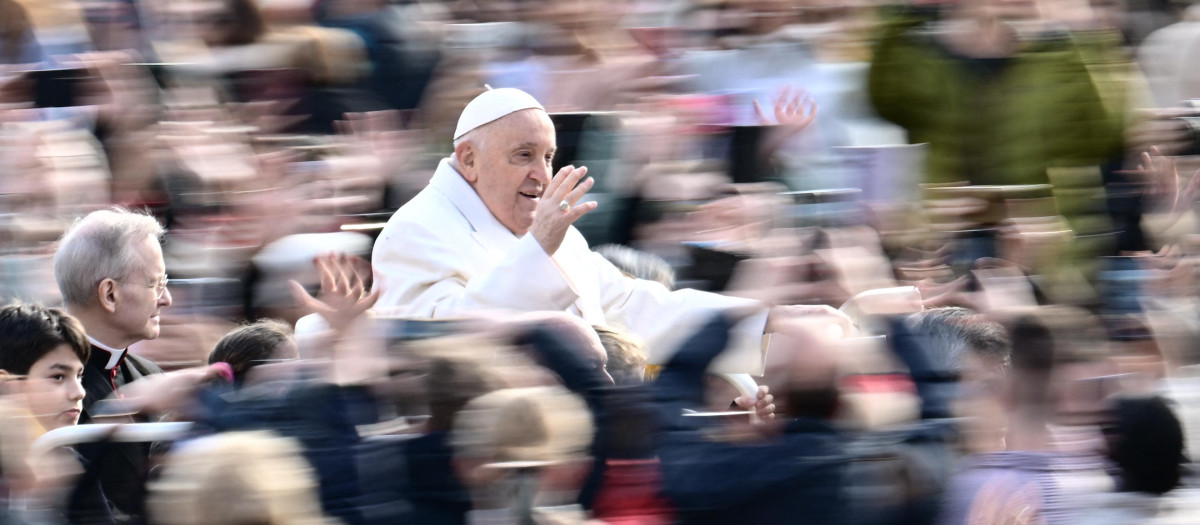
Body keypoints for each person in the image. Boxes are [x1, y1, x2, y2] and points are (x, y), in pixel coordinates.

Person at [371, 87, 845, 371]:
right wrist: (537, 250)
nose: (542, 174)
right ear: (469, 159)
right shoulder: (413, 232)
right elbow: (447, 349)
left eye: (548, 157)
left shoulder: (548, 227)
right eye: (523, 156)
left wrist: (766, 322)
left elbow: (635, 307)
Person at [53, 207, 172, 522]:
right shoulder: (42, 383)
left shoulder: (151, 374)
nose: (166, 298)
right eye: (155, 284)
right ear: (109, 293)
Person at [0, 303, 89, 433]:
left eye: (79, 376)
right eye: (58, 377)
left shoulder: (64, 450)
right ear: (5, 384)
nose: (80, 393)